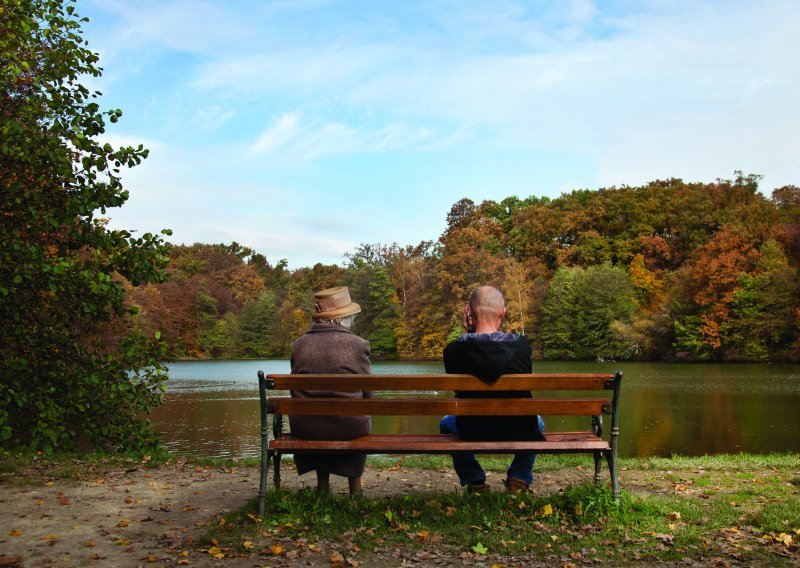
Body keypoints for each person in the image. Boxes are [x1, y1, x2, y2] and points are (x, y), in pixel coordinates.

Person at [439, 285, 545, 494]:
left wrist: (470, 331)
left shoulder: (453, 352)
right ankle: (519, 477)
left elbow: (470, 351)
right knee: (537, 422)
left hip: (471, 428)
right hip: (518, 428)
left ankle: (474, 480)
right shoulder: (522, 349)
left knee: (445, 423)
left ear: (469, 311)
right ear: (502, 312)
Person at [289, 286, 372, 494]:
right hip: (350, 427)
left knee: (318, 418)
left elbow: (295, 392)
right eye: (351, 316)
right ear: (342, 318)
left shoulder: (298, 345)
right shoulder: (358, 345)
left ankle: (322, 486)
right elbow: (368, 394)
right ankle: (355, 487)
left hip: (306, 427)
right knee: (354, 415)